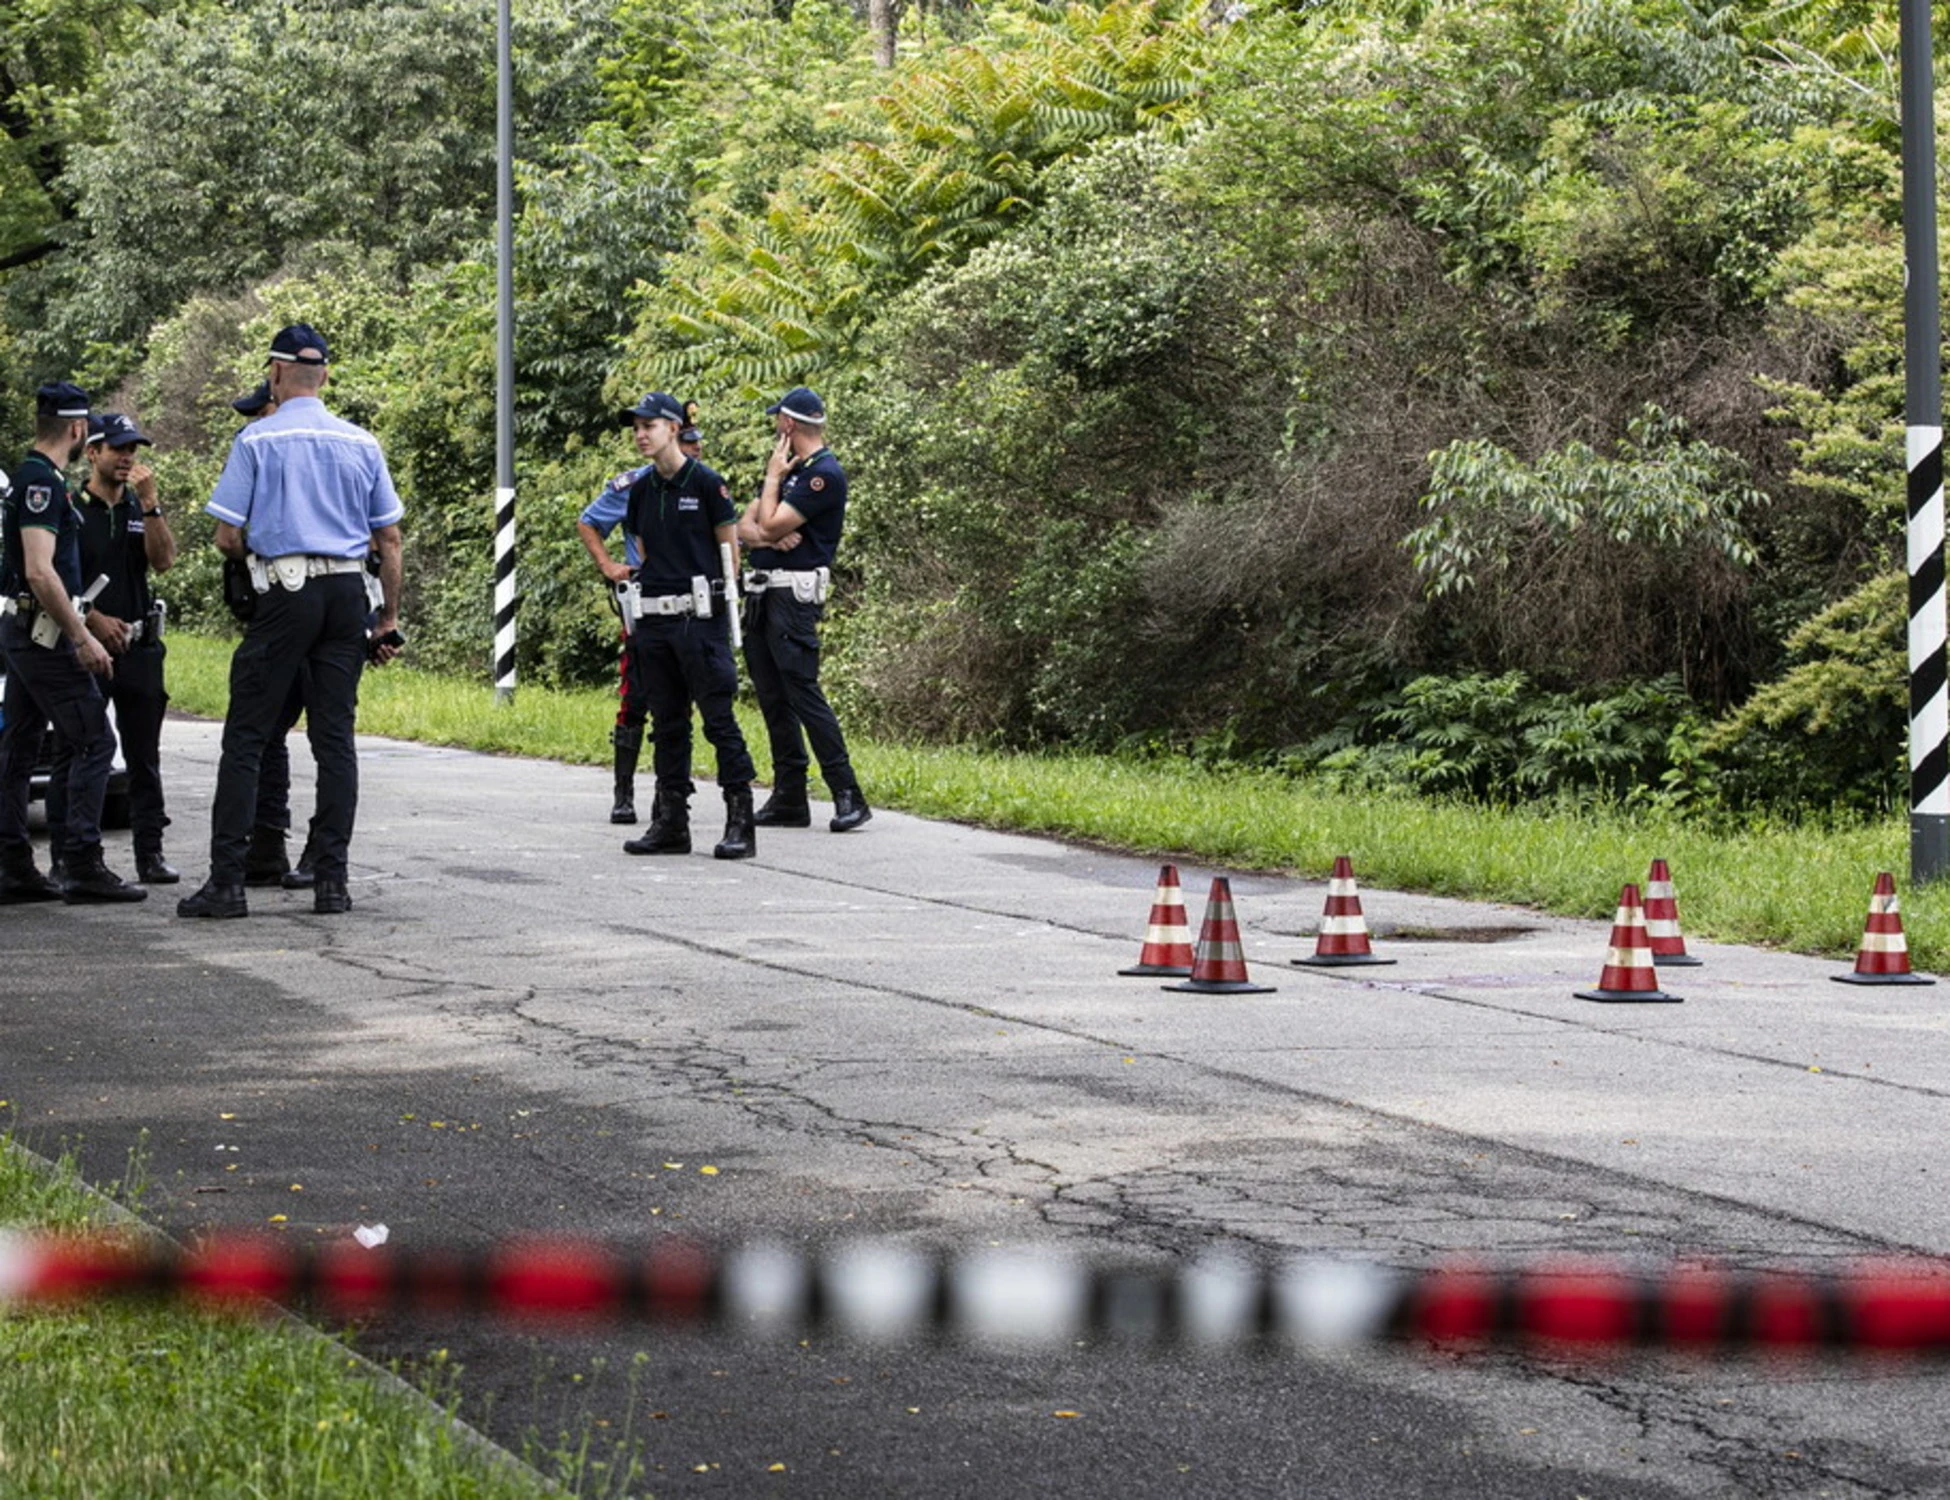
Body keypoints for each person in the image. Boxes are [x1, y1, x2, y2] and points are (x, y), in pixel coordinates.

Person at [177, 323, 403, 918]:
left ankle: (227, 883)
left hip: (286, 591)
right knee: (335, 742)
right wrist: (387, 619)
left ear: (274, 373)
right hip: (348, 593)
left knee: (247, 737)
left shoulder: (256, 440)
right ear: (325, 375)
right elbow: (392, 538)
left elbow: (227, 535)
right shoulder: (362, 443)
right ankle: (332, 882)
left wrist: (262, 548)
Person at [0, 382, 146, 903]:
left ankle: (12, 865)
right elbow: (41, 572)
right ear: (80, 429)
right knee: (93, 740)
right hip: (43, 636)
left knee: (17, 747)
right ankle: (82, 864)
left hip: (22, 632)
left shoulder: (28, 477)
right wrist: (82, 636)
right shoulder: (41, 483)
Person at [614, 391, 756, 860]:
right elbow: (645, 550)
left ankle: (740, 819)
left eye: (649, 426)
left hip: (701, 620)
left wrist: (718, 602)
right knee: (668, 724)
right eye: (636, 427)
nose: (640, 435)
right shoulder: (639, 490)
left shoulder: (707, 483)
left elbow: (728, 551)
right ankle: (671, 821)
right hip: (656, 619)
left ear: (673, 427)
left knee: (719, 720)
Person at [45, 412, 179, 885]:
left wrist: (151, 505)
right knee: (76, 749)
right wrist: (91, 620)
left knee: (144, 754)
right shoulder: (70, 508)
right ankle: (68, 855)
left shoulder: (138, 510)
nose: (127, 458)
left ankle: (150, 852)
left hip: (139, 647)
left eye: (133, 450)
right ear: (94, 452)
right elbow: (56, 577)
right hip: (86, 645)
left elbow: (163, 562)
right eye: (118, 449)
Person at [735, 386, 870, 833]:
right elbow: (744, 526)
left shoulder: (821, 474)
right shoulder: (792, 471)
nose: (776, 428)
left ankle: (847, 792)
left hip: (793, 596)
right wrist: (767, 531)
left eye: (779, 421)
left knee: (802, 691)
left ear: (789, 424)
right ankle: (790, 795)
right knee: (772, 696)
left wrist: (771, 500)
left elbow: (767, 521)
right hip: (761, 593)